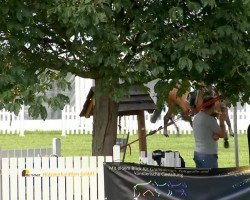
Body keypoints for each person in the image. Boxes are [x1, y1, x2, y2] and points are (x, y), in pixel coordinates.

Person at [192, 96, 227, 168]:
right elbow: (222, 134)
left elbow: (212, 134)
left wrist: (216, 135)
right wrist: (222, 121)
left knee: (201, 178)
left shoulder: (196, 117)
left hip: (198, 153)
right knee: (211, 178)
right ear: (213, 106)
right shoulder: (209, 120)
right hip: (208, 155)